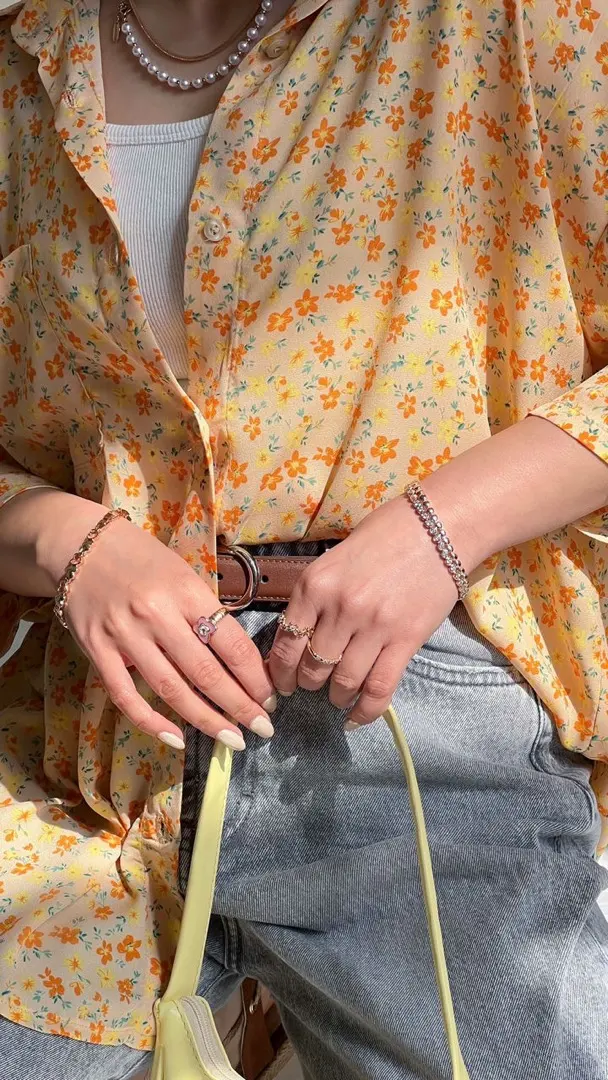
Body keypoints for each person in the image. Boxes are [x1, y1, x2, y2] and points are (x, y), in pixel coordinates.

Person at [0, 0, 607, 1077]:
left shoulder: (514, 22)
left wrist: (443, 527)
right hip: (82, 749)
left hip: (411, 729)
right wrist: (63, 541)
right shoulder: (21, 72)